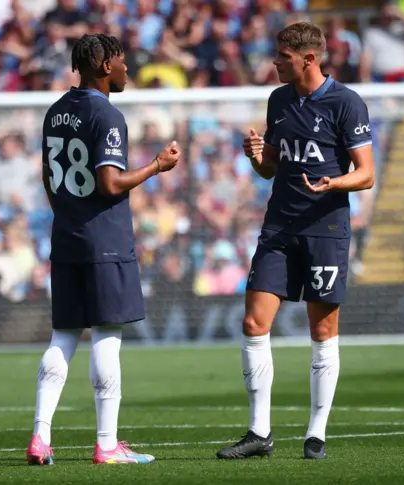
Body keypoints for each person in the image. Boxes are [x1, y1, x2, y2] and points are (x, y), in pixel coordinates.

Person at [215, 22, 375, 460]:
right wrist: (257, 155)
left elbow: (367, 173)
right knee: (253, 324)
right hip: (279, 227)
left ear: (308, 59)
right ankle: (259, 433)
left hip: (325, 229)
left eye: (282, 56)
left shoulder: (346, 102)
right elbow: (272, 167)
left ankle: (316, 434)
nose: (275, 62)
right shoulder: (278, 100)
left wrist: (334, 184)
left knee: (322, 330)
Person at [26, 33, 181, 466]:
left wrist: (70, 216)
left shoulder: (55, 112)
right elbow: (109, 183)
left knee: (63, 336)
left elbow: (48, 178)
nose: (126, 68)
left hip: (67, 238)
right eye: (120, 61)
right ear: (100, 63)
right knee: (107, 337)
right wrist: (156, 166)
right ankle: (107, 444)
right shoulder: (107, 116)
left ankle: (40, 437)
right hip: (105, 241)